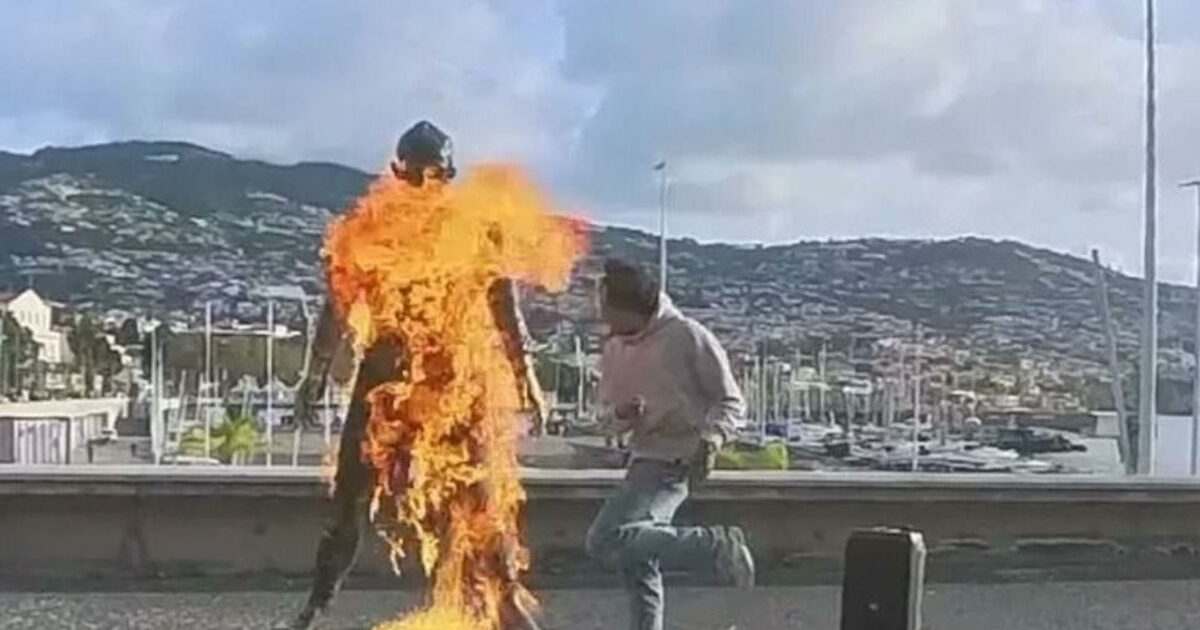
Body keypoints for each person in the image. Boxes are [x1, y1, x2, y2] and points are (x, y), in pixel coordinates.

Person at [282, 120, 547, 630]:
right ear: (398, 174)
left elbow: (502, 306)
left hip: (452, 378)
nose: (425, 184)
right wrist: (313, 376)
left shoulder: (474, 229)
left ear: (447, 176)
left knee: (478, 501)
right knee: (350, 496)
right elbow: (337, 307)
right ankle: (315, 607)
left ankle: (505, 603)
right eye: (416, 175)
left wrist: (525, 374)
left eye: (434, 175)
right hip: (385, 376)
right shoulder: (369, 230)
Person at [585, 258, 755, 630]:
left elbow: (731, 402)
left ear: (629, 306)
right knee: (637, 561)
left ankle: (715, 545)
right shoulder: (614, 349)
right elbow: (605, 418)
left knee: (605, 540)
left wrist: (712, 439)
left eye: (605, 304)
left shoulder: (687, 336)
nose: (599, 313)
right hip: (642, 456)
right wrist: (623, 414)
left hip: (676, 459)